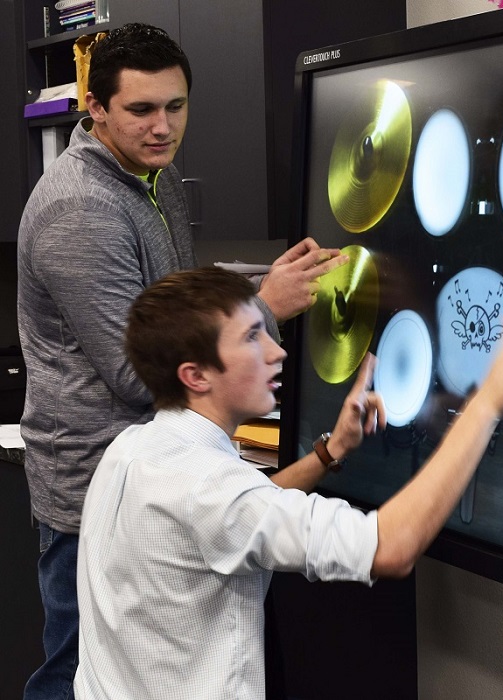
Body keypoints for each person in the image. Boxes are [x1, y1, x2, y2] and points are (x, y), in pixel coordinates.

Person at [16, 23, 345, 700]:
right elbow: (142, 371)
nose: (162, 127)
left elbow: (175, 312)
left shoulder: (152, 177)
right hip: (98, 492)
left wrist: (247, 298)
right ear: (96, 108)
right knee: (81, 676)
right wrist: (265, 306)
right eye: (140, 110)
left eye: (176, 106)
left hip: (162, 472)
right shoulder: (82, 208)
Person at [72, 266, 503, 699]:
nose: (277, 352)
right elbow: (389, 547)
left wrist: (331, 452)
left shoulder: (130, 451)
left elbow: (247, 512)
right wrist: (487, 402)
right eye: (251, 337)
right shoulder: (209, 488)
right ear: (195, 375)